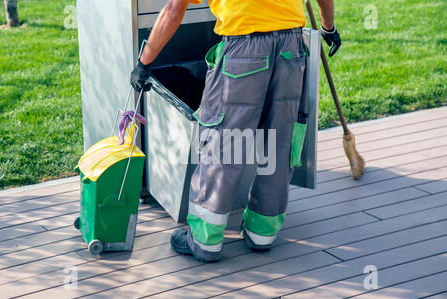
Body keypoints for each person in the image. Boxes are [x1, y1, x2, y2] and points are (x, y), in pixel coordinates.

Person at [131, 0, 341, 263]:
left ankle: (205, 240)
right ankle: (262, 233)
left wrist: (144, 62)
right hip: (291, 46)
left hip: (245, 46)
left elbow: (174, 8)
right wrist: (328, 27)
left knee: (225, 141)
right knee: (278, 140)